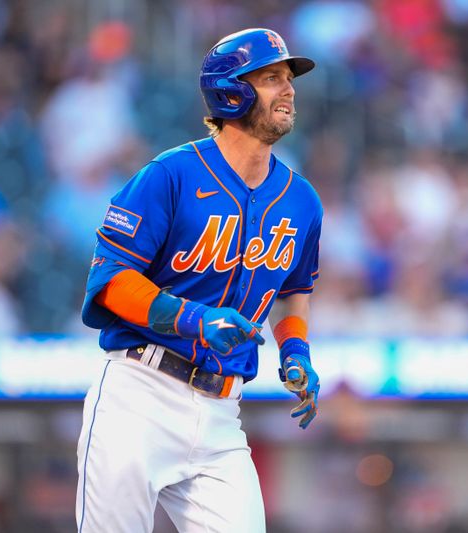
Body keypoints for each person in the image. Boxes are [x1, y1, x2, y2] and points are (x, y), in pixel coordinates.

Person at [74, 28, 322, 533]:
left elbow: (294, 291)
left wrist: (296, 354)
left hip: (222, 412)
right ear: (233, 91)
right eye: (272, 77)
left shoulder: (302, 200)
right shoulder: (169, 175)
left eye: (288, 78)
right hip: (139, 393)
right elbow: (111, 280)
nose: (289, 89)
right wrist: (196, 320)